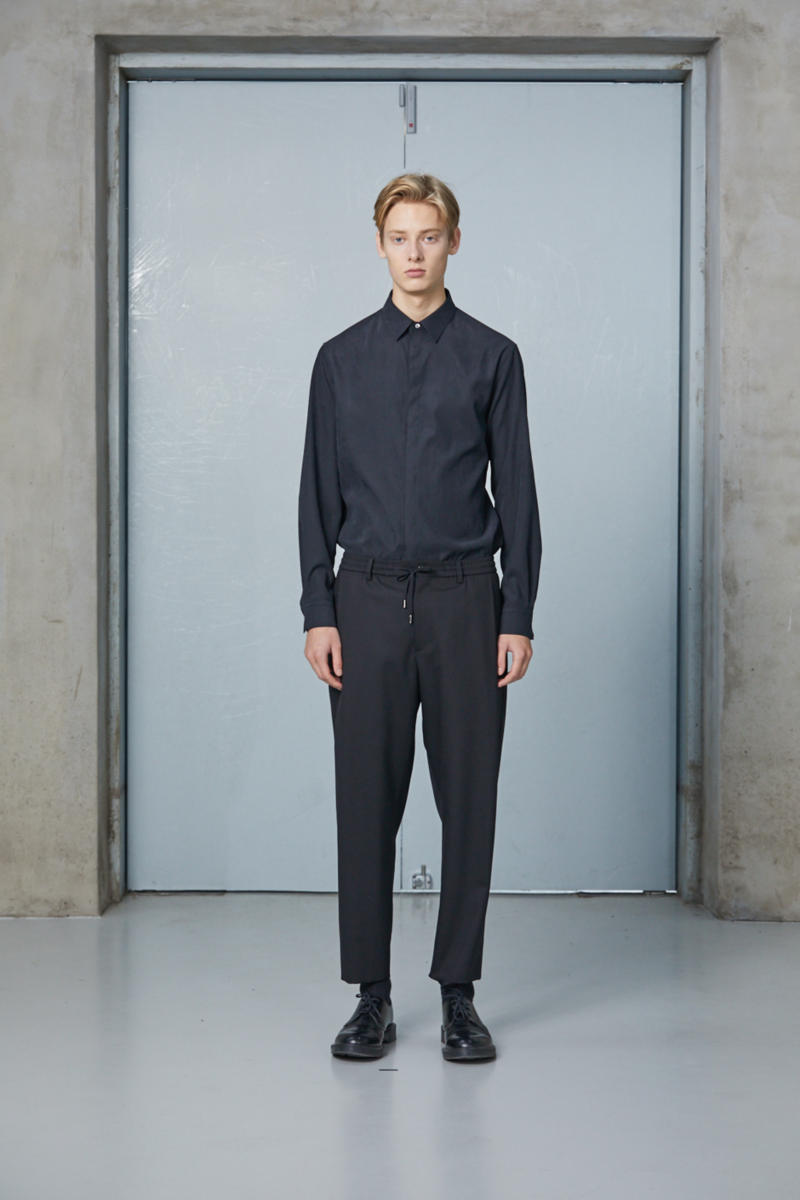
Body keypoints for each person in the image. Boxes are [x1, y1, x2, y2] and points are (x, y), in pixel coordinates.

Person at [298, 173, 541, 1062]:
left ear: (453, 242)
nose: (414, 252)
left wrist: (517, 612)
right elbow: (315, 495)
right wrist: (317, 608)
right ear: (379, 244)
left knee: (468, 801)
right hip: (363, 602)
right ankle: (371, 997)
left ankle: (459, 997)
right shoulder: (339, 359)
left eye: (429, 236)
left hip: (465, 600)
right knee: (366, 802)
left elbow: (518, 493)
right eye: (399, 236)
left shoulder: (492, 357)